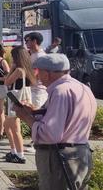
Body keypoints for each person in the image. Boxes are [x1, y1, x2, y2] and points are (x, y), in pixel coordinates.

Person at [15, 54, 97, 189]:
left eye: (38, 72)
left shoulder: (60, 92)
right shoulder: (82, 88)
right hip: (81, 153)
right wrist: (35, 112)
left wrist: (25, 117)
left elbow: (50, 134)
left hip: (60, 157)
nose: (37, 76)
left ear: (47, 73)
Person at [1, 46, 36, 164]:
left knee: (15, 129)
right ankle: (14, 151)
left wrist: (11, 69)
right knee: (7, 125)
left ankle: (20, 155)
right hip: (19, 99)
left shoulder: (19, 70)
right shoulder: (27, 69)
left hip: (15, 100)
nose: (11, 58)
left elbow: (7, 82)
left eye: (12, 56)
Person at [25, 32, 50, 153]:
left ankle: (38, 142)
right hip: (31, 89)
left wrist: (23, 79)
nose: (26, 43)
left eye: (28, 40)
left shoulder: (41, 56)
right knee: (31, 114)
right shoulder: (32, 55)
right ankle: (35, 139)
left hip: (39, 90)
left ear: (35, 41)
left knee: (36, 114)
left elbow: (34, 73)